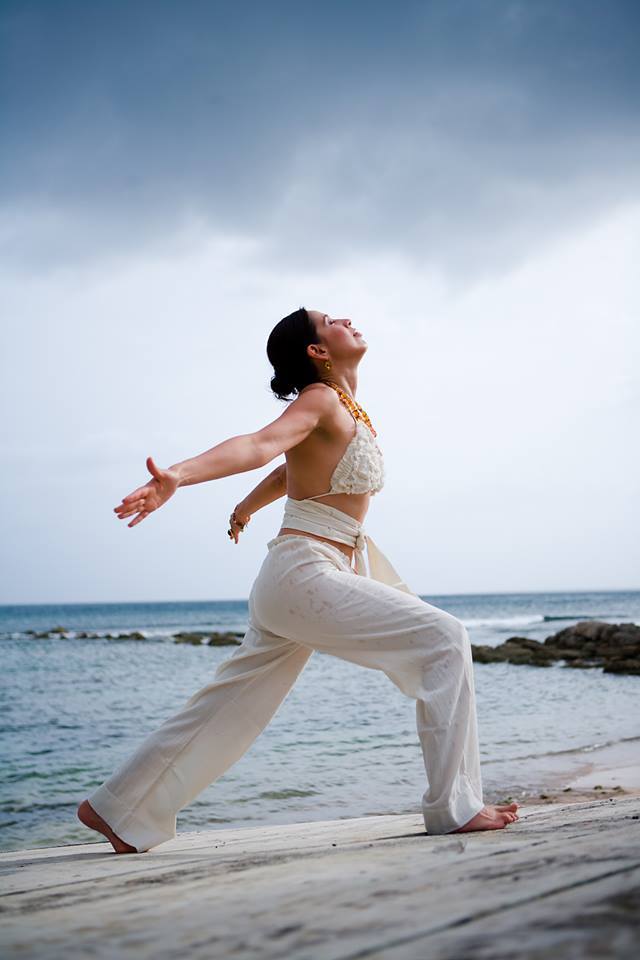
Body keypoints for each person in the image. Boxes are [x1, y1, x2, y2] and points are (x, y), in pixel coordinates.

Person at [77, 307, 519, 853]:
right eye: (332, 319)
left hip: (301, 575)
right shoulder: (320, 398)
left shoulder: (346, 409)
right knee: (444, 639)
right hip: (305, 572)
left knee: (229, 705)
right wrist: (179, 477)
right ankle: (456, 806)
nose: (348, 319)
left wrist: (245, 507)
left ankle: (116, 808)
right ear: (317, 351)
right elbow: (261, 443)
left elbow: (289, 468)